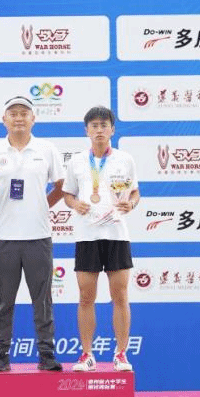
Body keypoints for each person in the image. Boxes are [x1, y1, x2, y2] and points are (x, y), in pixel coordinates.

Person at [0, 96, 65, 371]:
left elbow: (61, 185)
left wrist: (41, 206)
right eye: (13, 113)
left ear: (33, 119)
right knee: (4, 300)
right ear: (4, 119)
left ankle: (46, 354)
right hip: (4, 237)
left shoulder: (46, 149)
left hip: (38, 236)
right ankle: (1, 355)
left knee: (43, 299)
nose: (18, 118)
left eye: (24, 113)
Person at [61, 106, 139, 372]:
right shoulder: (76, 161)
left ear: (112, 130)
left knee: (120, 296)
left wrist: (132, 203)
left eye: (104, 125)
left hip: (116, 234)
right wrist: (75, 204)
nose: (99, 130)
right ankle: (87, 354)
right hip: (87, 235)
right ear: (86, 130)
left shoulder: (125, 159)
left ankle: (121, 354)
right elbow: (68, 194)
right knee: (86, 296)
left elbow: (135, 192)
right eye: (94, 126)